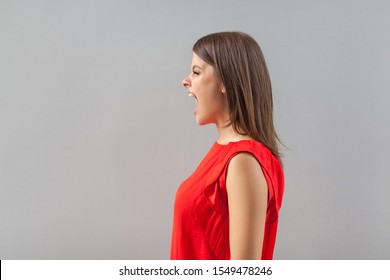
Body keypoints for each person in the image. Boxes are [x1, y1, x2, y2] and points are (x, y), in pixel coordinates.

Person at [170, 32, 284, 260]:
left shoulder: (243, 161)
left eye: (196, 72)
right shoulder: (226, 153)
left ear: (225, 81)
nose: (185, 80)